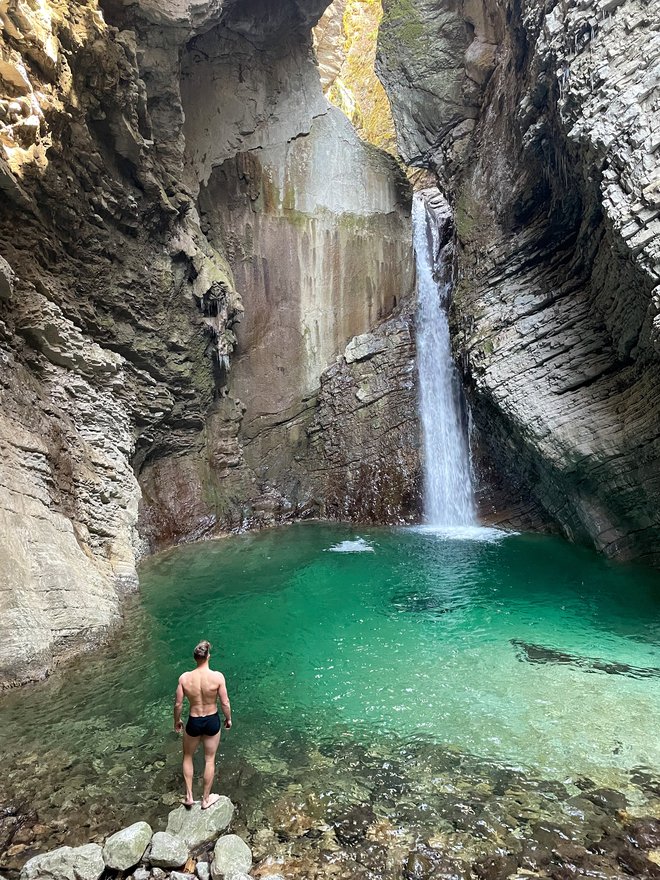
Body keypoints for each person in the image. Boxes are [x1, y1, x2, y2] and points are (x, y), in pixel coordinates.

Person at [174, 639, 232, 809]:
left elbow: (178, 704)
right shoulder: (217, 677)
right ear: (208, 656)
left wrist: (177, 721)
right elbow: (225, 702)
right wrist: (228, 719)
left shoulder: (185, 678)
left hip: (194, 720)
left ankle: (189, 796)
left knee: (187, 756)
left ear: (195, 658)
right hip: (212, 720)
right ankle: (206, 800)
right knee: (209, 760)